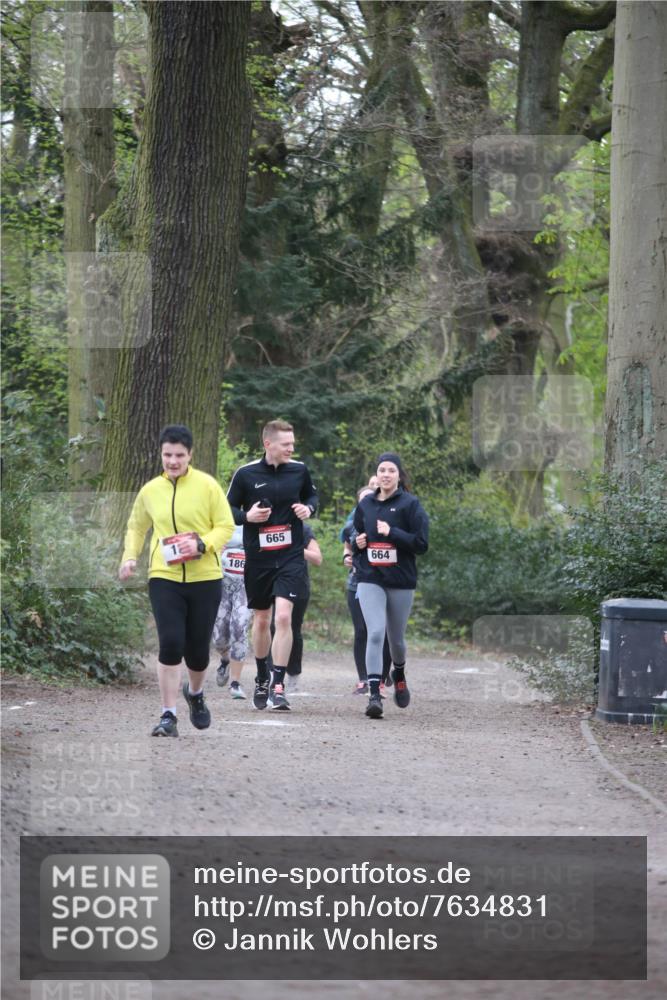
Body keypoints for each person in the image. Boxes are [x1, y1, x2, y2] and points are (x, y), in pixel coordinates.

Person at [119, 425, 235, 737]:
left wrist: (202, 545)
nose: (173, 461)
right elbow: (136, 526)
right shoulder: (150, 490)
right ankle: (168, 715)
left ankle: (195, 694)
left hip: (205, 578)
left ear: (190, 455)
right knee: (170, 643)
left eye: (179, 455)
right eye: (168, 455)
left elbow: (225, 526)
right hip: (164, 576)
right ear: (161, 454)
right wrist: (130, 556)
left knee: (197, 652)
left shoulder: (207, 486)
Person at [226, 419, 318, 711]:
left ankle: (278, 685)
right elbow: (226, 509)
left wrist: (309, 508)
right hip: (259, 558)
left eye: (293, 443)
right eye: (286, 444)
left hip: (290, 556)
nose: (292, 448)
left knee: (283, 618)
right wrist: (246, 517)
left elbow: (312, 495)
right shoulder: (246, 474)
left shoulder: (299, 470)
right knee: (263, 620)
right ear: (268, 444)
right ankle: (263, 676)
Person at [352, 452, 429, 719]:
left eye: (391, 471)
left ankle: (399, 672)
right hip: (370, 577)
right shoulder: (367, 505)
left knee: (395, 640)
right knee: (375, 633)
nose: (385, 474)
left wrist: (391, 533)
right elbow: (358, 538)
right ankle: (374, 694)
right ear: (376, 475)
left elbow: (421, 544)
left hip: (400, 579)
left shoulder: (410, 504)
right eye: (382, 470)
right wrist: (357, 544)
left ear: (399, 475)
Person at [342, 487, 392, 695]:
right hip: (356, 584)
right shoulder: (350, 527)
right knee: (362, 631)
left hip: (384, 584)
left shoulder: (386, 523)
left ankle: (381, 678)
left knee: (383, 632)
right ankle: (364, 679)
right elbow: (346, 548)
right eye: (362, 499)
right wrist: (347, 557)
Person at [273, 522, 322, 693]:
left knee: (292, 628)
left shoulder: (302, 528)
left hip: (298, 583)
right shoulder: (266, 524)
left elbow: (317, 558)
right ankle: (274, 675)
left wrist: (296, 550)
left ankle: (293, 673)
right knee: (274, 626)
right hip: (272, 580)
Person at [213, 524, 252, 700]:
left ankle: (235, 683)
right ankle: (225, 659)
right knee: (219, 637)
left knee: (239, 627)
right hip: (223, 583)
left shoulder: (261, 516)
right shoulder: (223, 515)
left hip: (246, 585)